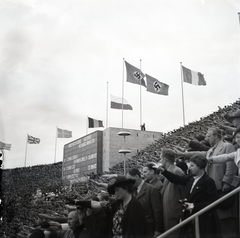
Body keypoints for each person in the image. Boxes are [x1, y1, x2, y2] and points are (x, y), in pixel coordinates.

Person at [175, 127, 238, 238]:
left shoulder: (227, 146)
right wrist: (184, 154)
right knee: (218, 223)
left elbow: (230, 165)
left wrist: (226, 182)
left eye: (209, 136)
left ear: (216, 136)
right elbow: (200, 153)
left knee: (226, 220)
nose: (207, 138)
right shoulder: (210, 150)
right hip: (213, 189)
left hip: (222, 188)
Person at [156, 154, 219, 238]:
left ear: (200, 166)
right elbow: (177, 179)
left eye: (192, 166)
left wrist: (194, 206)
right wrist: (164, 171)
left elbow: (214, 203)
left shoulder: (208, 181)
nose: (190, 168)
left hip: (202, 221)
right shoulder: (192, 178)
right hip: (191, 220)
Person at [75, 176, 148, 238]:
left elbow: (138, 230)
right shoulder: (117, 204)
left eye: (117, 190)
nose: (115, 193)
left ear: (125, 189)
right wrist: (78, 202)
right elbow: (98, 204)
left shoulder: (135, 204)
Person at [126, 168, 163, 238]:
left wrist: (158, 230)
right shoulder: (132, 190)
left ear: (136, 177)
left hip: (148, 229)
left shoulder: (151, 190)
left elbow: (157, 211)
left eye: (129, 179)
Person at [159, 149, 187, 238]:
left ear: (165, 159)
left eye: (160, 158)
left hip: (174, 211)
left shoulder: (176, 171)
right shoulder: (170, 170)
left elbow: (183, 193)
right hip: (169, 210)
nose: (160, 161)